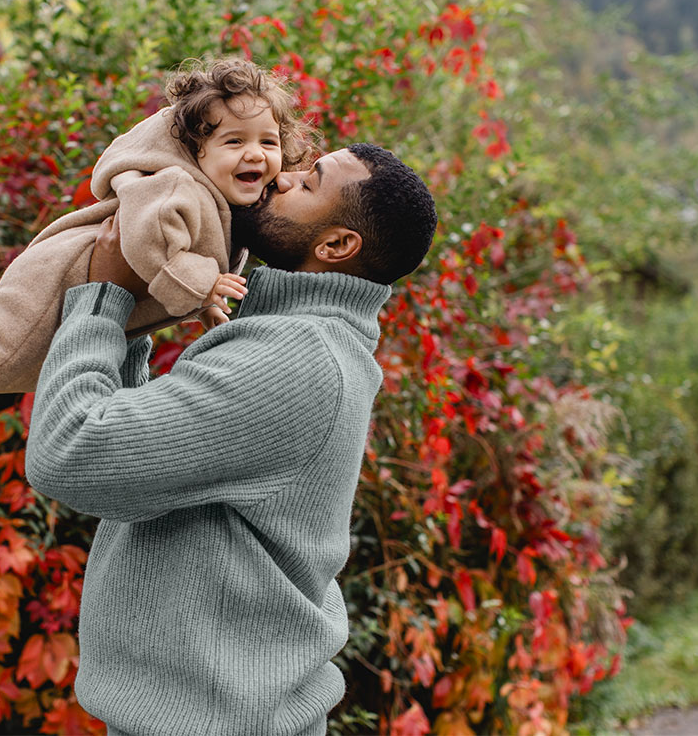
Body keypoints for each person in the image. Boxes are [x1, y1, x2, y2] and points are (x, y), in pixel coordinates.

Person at [25, 143, 438, 735]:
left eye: (308, 182)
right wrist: (136, 310)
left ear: (336, 245)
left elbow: (71, 452)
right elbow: (137, 472)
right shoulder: (298, 339)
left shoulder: (294, 358)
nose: (281, 175)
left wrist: (100, 298)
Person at [0, 58, 313, 452]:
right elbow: (150, 241)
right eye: (234, 141)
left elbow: (187, 253)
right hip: (61, 275)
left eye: (268, 142)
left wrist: (205, 303)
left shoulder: (223, 206)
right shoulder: (175, 184)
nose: (256, 154)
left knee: (32, 368)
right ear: (197, 150)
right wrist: (200, 284)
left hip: (93, 292)